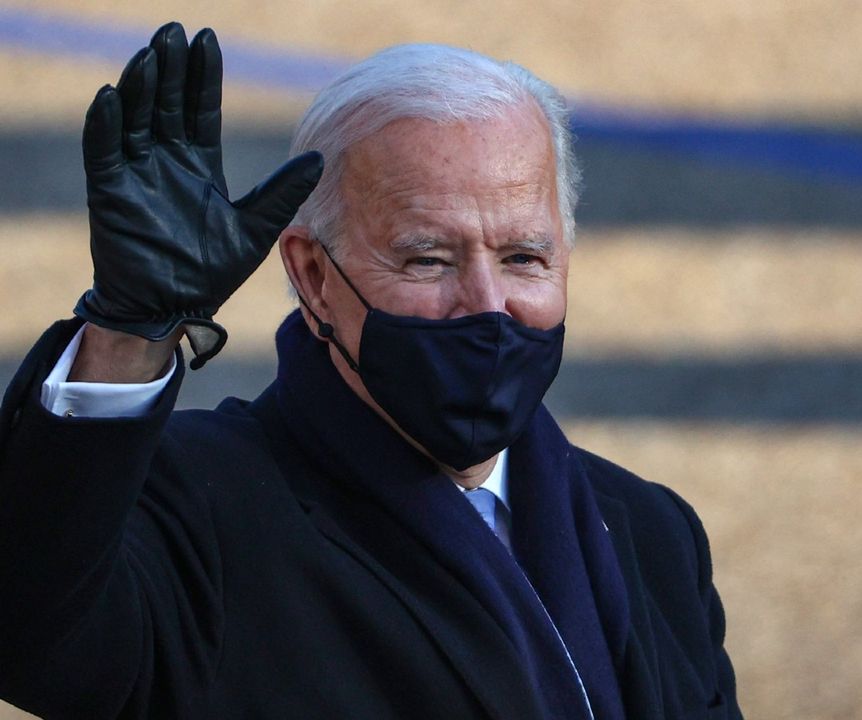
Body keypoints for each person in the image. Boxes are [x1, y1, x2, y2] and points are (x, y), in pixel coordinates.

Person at [0, 22, 740, 720]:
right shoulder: (196, 509)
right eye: (428, 259)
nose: (486, 305)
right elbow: (32, 637)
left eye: (524, 258)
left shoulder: (652, 531)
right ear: (315, 275)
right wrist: (131, 330)